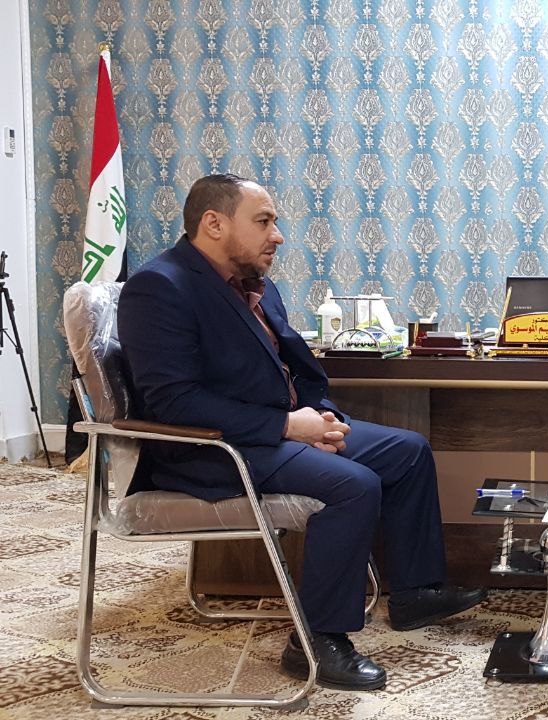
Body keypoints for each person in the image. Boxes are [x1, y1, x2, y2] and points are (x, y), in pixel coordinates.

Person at [117, 173, 486, 691]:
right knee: (353, 486)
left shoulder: (255, 285)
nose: (278, 235)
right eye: (264, 222)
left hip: (276, 432)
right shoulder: (160, 287)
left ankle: (414, 593)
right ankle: (315, 640)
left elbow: (300, 373)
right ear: (214, 224)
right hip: (211, 450)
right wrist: (289, 427)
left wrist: (323, 420)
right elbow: (173, 401)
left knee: (407, 451)